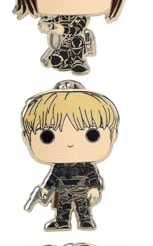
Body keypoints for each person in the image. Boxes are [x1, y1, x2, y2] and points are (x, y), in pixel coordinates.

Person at [22, 81, 119, 230]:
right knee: (63, 208)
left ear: (113, 135)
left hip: (81, 189)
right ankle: (62, 222)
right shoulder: (58, 167)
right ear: (27, 138)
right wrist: (46, 189)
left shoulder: (86, 166)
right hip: (62, 190)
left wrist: (94, 188)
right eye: (47, 136)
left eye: (92, 135)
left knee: (83, 207)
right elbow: (52, 177)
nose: (70, 143)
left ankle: (85, 221)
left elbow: (92, 175)